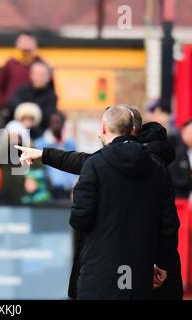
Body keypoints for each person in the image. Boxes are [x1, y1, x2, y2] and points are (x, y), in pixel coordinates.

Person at [16, 105, 182, 299]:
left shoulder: (98, 164)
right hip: (141, 270)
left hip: (103, 268)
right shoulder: (156, 163)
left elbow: (80, 218)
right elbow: (169, 224)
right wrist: (162, 262)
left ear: (105, 127)